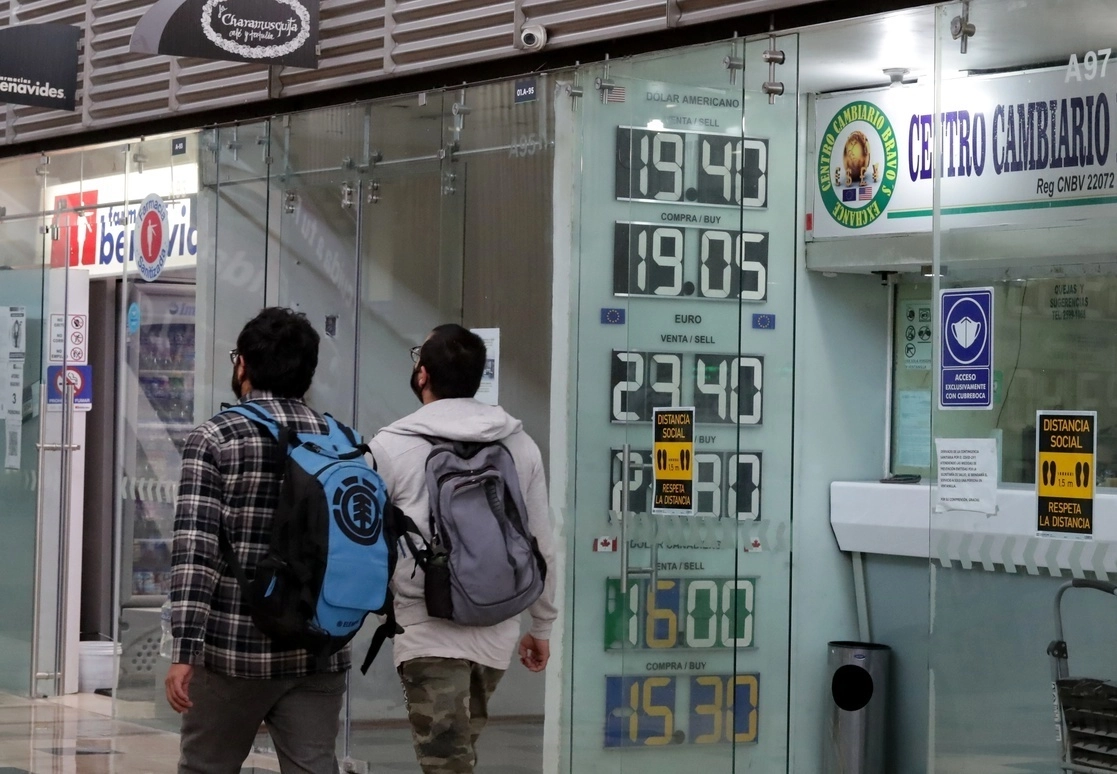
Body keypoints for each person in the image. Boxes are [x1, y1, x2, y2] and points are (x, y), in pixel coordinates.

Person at [367, 324, 557, 774]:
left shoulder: (391, 447)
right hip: (497, 622)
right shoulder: (518, 443)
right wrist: (542, 624)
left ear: (422, 375)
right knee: (455, 758)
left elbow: (367, 538)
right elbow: (541, 541)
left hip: (425, 626)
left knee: (447, 764)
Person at [166, 307, 346, 774]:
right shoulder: (340, 439)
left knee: (207, 767)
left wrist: (184, 650)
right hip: (319, 645)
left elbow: (195, 552)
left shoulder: (216, 437)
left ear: (242, 365)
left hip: (234, 650)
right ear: (306, 374)